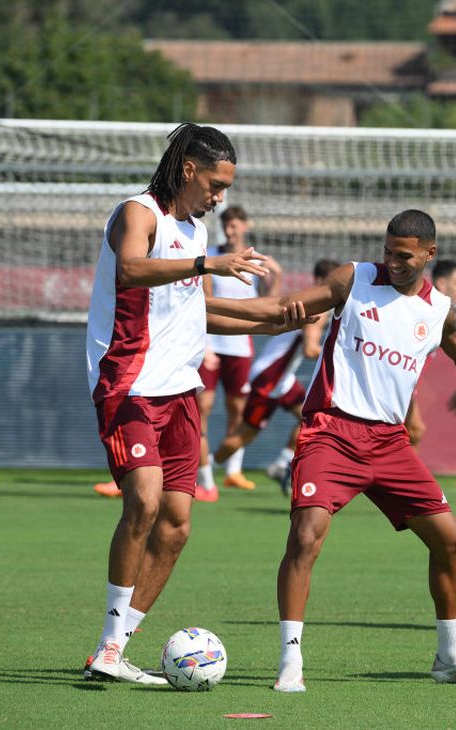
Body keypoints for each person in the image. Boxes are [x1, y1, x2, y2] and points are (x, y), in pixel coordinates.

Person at [208, 209, 456, 691]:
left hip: (389, 443)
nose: (393, 262)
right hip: (330, 433)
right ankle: (291, 661)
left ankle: (451, 655)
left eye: (404, 256)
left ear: (429, 254)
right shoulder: (354, 279)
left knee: (453, 542)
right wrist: (196, 311)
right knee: (305, 534)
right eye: (388, 252)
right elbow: (281, 311)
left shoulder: (438, 310)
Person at [83, 122, 293, 683]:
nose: (220, 197)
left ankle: (115, 650)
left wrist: (269, 320)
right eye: (216, 184)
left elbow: (196, 311)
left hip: (180, 389)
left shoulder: (195, 232)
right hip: (128, 383)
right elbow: (130, 270)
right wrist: (209, 266)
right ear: (188, 170)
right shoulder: (138, 213)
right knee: (145, 502)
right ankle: (107, 647)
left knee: (176, 526)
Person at [212, 259, 340, 494]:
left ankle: (282, 464)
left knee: (317, 416)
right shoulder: (317, 308)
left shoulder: (307, 299)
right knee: (244, 436)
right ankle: (205, 468)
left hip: (283, 379)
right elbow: (310, 349)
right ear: (323, 282)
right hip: (269, 379)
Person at [196, 205, 284, 500]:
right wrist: (204, 343)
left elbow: (268, 305)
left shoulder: (257, 260)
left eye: (235, 225)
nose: (231, 230)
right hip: (211, 343)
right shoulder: (212, 255)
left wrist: (278, 276)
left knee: (238, 411)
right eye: (227, 225)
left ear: (246, 226)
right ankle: (205, 478)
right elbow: (202, 299)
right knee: (201, 409)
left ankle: (233, 471)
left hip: (240, 345)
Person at [403, 259, 456, 445]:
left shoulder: (452, 314)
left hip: (409, 381)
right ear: (441, 283)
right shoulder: (418, 306)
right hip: (398, 376)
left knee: (414, 430)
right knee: (414, 429)